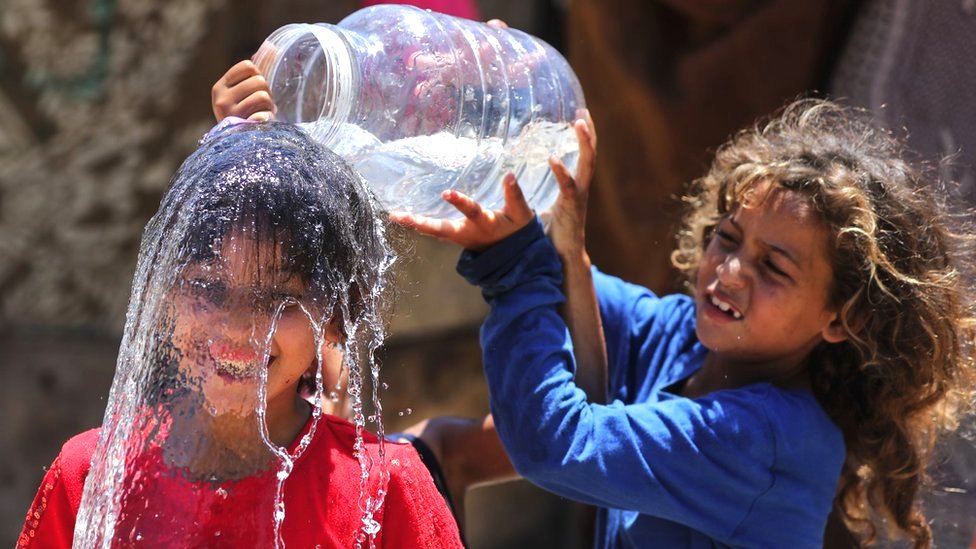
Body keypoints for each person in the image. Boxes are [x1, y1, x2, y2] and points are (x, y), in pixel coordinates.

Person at [392, 99, 976, 548]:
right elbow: (561, 276)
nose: (730, 271)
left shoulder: (770, 439)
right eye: (727, 237)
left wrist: (515, 267)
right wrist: (507, 136)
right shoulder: (680, 337)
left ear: (841, 318)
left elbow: (554, 445)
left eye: (773, 267)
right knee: (416, 456)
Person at [18, 120, 463, 548]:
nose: (237, 326)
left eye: (278, 298)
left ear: (335, 313)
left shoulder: (386, 487)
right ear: (163, 294)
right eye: (208, 287)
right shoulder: (93, 475)